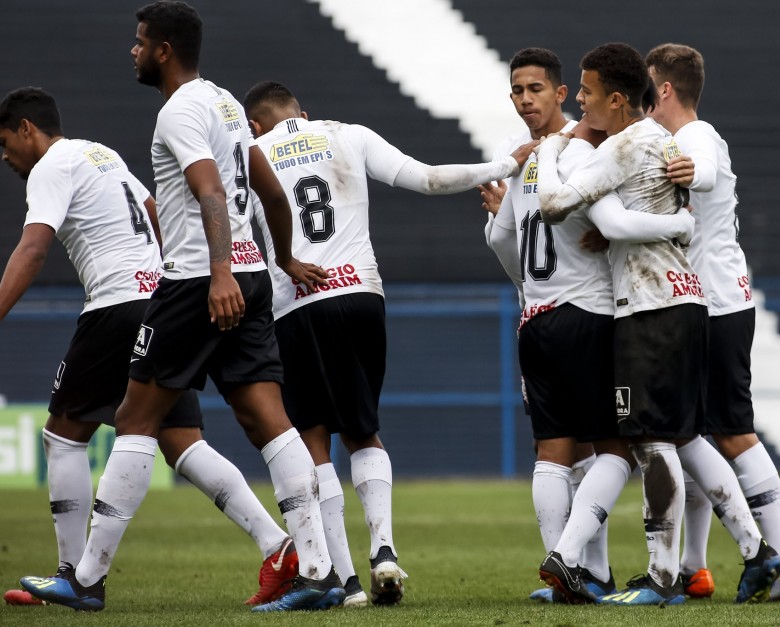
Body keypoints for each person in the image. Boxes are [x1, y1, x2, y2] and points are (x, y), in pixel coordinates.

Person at [20, 1, 344, 613]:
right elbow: (270, 191)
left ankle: (86, 579)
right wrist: (285, 260)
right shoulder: (224, 103)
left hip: (200, 280)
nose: (134, 51)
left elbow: (212, 192)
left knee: (137, 418)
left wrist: (219, 271)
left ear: (164, 50)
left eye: (141, 42)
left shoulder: (178, 112)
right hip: (250, 276)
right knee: (266, 420)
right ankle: (319, 570)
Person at [241, 79, 537, 607]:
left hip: (296, 300)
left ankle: (346, 581)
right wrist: (504, 166)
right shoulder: (347, 134)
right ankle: (384, 550)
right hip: (360, 295)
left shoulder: (252, 152)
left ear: (255, 125)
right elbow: (428, 179)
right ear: (304, 113)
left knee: (313, 439)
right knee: (363, 431)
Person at [0, 86, 299, 608]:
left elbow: (33, 247)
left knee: (63, 435)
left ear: (27, 129)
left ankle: (72, 577)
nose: (5, 156)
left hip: (115, 305)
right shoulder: (102, 154)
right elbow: (157, 211)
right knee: (181, 440)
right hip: (159, 297)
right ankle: (278, 545)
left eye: (5, 142)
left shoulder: (51, 166)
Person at [534, 42, 780, 606]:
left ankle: (662, 575)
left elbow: (556, 206)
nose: (582, 103)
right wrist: (676, 222)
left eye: (589, 93)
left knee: (649, 440)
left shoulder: (623, 145)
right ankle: (757, 551)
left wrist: (551, 149)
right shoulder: (658, 141)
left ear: (617, 99)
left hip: (651, 308)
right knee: (684, 435)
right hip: (685, 299)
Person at [480, 47, 695, 604]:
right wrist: (673, 220)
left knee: (553, 452)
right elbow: (608, 216)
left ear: (556, 93)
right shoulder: (588, 149)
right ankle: (571, 559)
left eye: (536, 89)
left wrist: (527, 287)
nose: (527, 99)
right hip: (590, 313)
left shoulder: (519, 157)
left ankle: (573, 578)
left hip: (534, 318)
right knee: (620, 447)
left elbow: (501, 237)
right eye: (518, 90)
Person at [645, 42, 780, 601]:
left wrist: (694, 172)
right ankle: (694, 564)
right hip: (710, 301)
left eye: (650, 87)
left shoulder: (693, 136)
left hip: (714, 305)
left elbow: (706, 169)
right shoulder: (685, 137)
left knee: (732, 433)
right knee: (690, 432)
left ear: (664, 88)